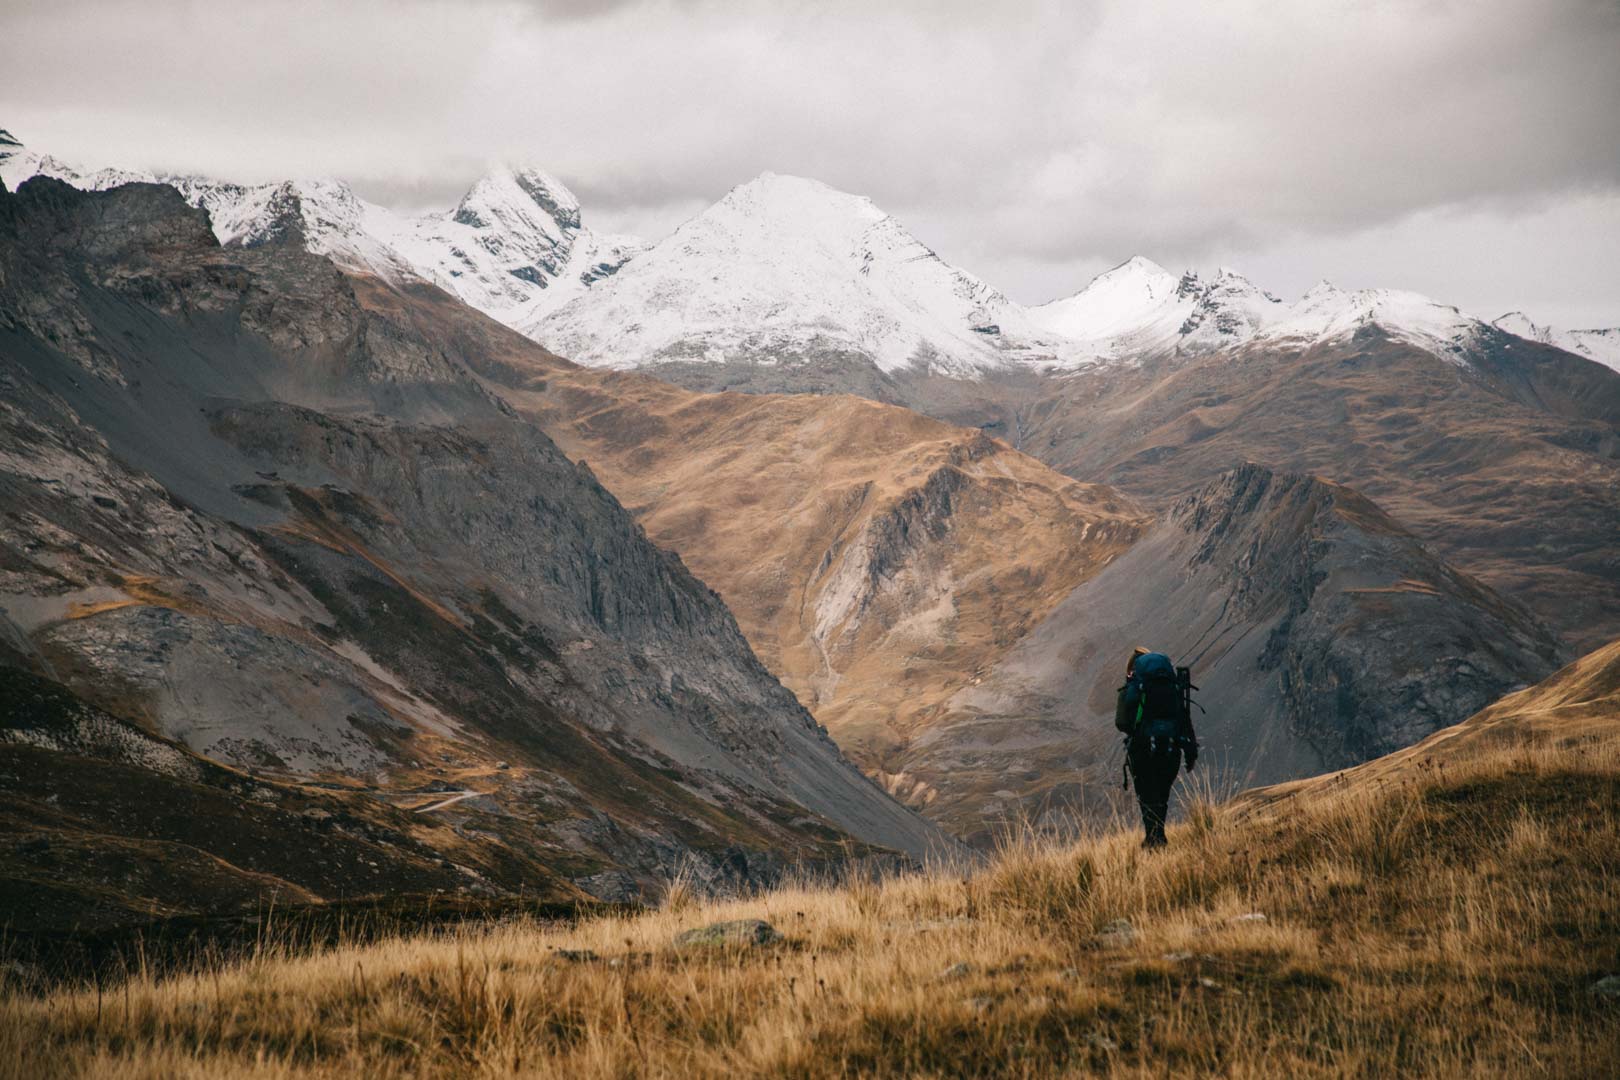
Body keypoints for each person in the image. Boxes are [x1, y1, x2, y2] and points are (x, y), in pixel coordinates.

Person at [1114, 648, 1199, 848]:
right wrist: (1190, 752)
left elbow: (1121, 723)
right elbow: (1184, 718)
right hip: (1171, 750)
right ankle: (1158, 838)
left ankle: (1154, 841)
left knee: (1147, 798)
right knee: (1161, 797)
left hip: (1143, 750)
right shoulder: (1171, 687)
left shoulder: (1134, 687)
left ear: (1132, 668)